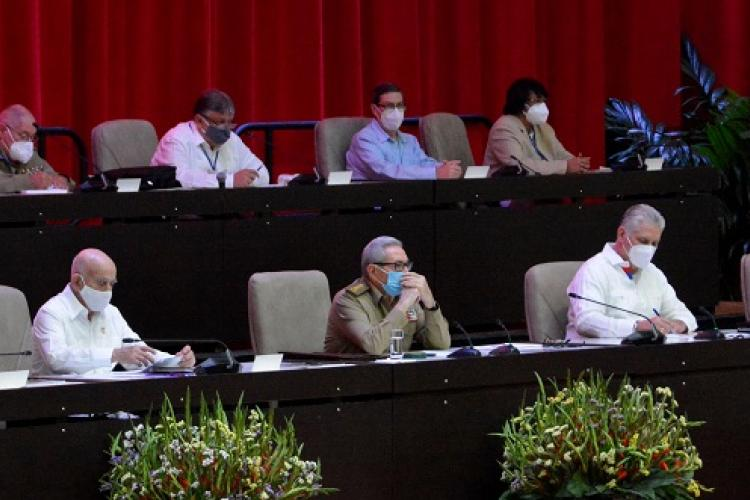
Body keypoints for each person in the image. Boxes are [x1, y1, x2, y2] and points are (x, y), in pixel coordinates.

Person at [32, 248, 195, 375]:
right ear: (77, 281)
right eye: (102, 283)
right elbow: (57, 358)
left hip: (104, 403)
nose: (108, 291)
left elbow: (139, 352)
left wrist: (176, 361)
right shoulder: (51, 312)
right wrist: (114, 354)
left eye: (112, 284)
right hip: (59, 409)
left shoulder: (111, 313)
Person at [566, 204, 697, 341]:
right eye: (643, 241)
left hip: (647, 355)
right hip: (597, 356)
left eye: (654, 244)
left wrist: (678, 325)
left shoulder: (653, 273)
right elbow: (587, 321)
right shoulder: (593, 269)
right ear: (622, 234)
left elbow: (685, 316)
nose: (649, 249)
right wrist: (636, 327)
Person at [325, 235, 450, 354]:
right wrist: (403, 305)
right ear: (373, 271)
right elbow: (373, 346)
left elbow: (440, 344)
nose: (406, 272)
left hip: (396, 373)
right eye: (398, 266)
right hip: (354, 373)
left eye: (407, 265)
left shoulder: (404, 295)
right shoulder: (347, 300)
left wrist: (430, 303)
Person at [151, 89, 269, 188]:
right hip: (184, 211)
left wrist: (247, 180)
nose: (227, 129)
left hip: (226, 209)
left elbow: (262, 173)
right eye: (221, 122)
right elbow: (177, 179)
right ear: (199, 121)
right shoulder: (176, 139)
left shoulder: (232, 139)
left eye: (230, 122)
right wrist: (229, 181)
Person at [345, 82, 462, 180]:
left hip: (406, 199)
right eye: (390, 106)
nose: (396, 111)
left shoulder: (410, 140)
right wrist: (436, 173)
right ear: (374, 109)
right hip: (374, 201)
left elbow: (423, 163)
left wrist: (444, 167)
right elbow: (384, 171)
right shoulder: (363, 139)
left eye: (400, 106)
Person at [484, 78, 590, 176]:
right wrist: (565, 166)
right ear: (522, 105)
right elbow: (519, 165)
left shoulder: (543, 127)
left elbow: (559, 153)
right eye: (537, 101)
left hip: (541, 188)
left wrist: (578, 164)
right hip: (509, 191)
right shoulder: (503, 128)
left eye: (544, 101)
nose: (543, 106)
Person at [0, 104, 70, 192]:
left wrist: (62, 180)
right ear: (2, 130)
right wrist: (29, 182)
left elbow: (53, 175)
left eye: (32, 138)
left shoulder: (29, 155)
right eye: (23, 135)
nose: (28, 143)